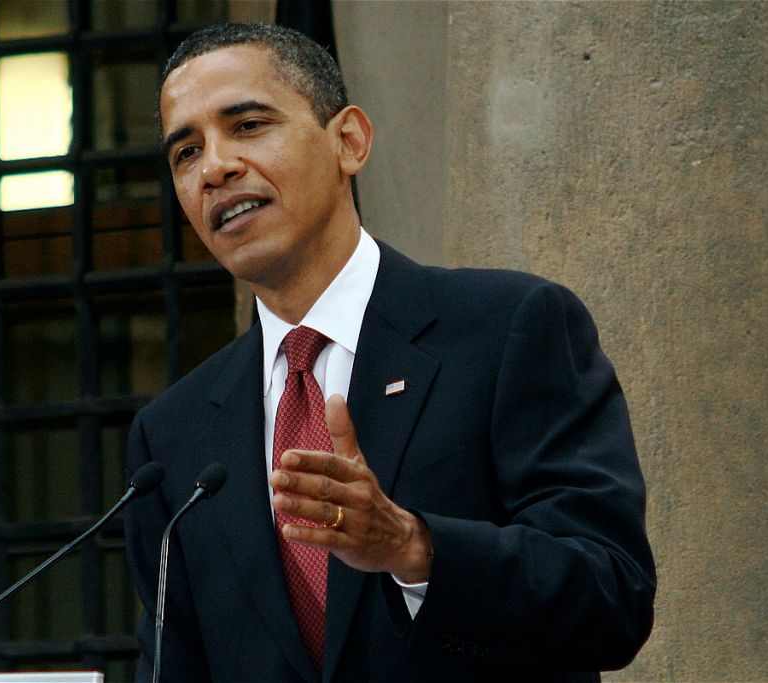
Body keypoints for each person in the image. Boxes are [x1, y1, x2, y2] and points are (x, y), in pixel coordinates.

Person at [124, 22, 655, 682]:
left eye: (249, 125)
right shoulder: (173, 438)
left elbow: (613, 594)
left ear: (348, 141)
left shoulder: (508, 329)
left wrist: (414, 546)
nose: (215, 167)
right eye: (185, 153)